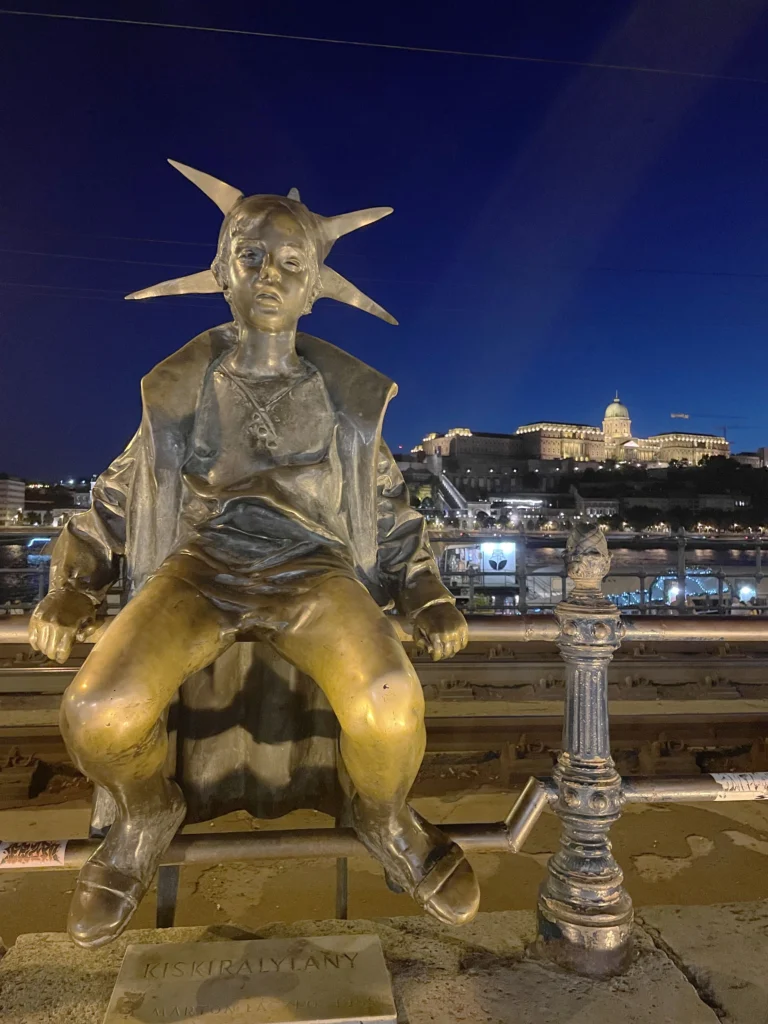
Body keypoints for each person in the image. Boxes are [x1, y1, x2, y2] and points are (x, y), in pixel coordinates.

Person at [29, 162, 478, 948]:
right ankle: (143, 819)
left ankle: (385, 817)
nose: (269, 276)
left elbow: (390, 511)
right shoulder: (182, 390)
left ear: (315, 289)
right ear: (222, 272)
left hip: (314, 574)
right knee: (99, 712)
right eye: (250, 257)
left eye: (291, 265)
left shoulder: (345, 402)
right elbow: (116, 496)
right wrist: (75, 582)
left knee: (389, 700)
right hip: (199, 571)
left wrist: (426, 593)